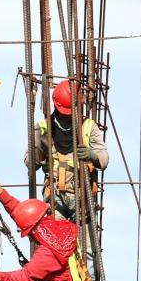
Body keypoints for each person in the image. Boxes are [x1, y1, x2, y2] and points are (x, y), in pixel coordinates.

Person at [27, 79, 109, 220]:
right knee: (57, 240)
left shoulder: (89, 126)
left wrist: (92, 156)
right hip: (55, 196)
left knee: (86, 242)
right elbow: (30, 164)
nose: (68, 115)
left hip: (82, 196)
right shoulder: (42, 128)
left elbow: (104, 159)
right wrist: (40, 150)